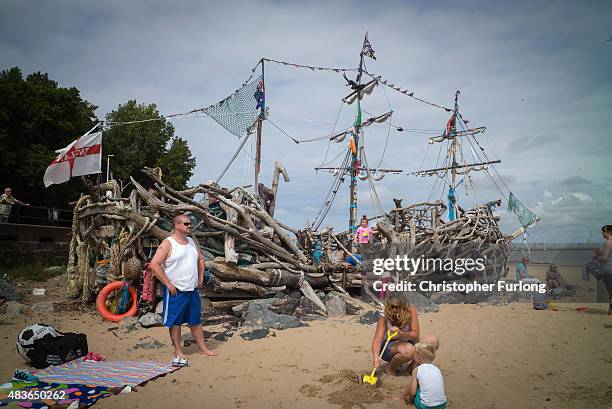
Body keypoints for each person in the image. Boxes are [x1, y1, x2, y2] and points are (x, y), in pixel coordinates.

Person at [150, 213, 217, 366]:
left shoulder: (192, 242)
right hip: (176, 291)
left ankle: (202, 348)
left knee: (195, 320)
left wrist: (200, 278)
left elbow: (201, 259)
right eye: (186, 224)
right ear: (177, 225)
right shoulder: (168, 243)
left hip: (192, 290)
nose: (189, 226)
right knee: (176, 322)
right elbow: (154, 264)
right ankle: (178, 351)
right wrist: (168, 284)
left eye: (189, 224)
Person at [371, 292, 439, 376]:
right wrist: (376, 357)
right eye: (392, 306)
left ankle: (412, 366)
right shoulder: (384, 314)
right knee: (408, 350)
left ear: (403, 306)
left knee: (433, 341)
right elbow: (377, 340)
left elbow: (415, 334)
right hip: (388, 347)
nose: (394, 310)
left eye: (397, 307)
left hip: (406, 340)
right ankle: (390, 368)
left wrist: (400, 333)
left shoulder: (410, 310)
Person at [397, 342, 447, 409]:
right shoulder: (437, 369)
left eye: (414, 355)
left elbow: (413, 392)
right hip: (442, 404)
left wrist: (410, 399)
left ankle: (401, 397)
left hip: (426, 406)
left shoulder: (417, 370)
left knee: (412, 385)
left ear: (419, 358)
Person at [585, 225, 612, 315]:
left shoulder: (609, 242)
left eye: (603, 232)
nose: (602, 234)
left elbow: (604, 258)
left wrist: (597, 257)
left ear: (608, 232)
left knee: (610, 290)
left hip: (608, 270)